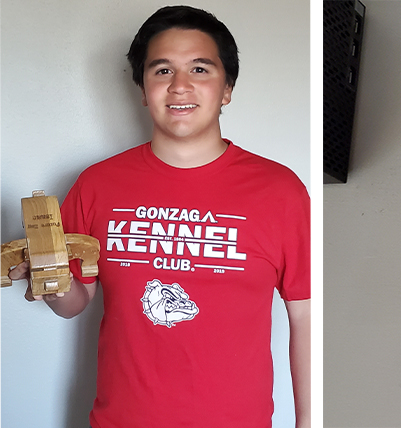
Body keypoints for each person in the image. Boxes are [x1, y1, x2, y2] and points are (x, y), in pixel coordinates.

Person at [8, 5, 310, 428]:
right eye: (162, 71)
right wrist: (51, 282)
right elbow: (76, 303)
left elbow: (305, 317)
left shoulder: (280, 191)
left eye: (200, 69)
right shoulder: (98, 184)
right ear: (143, 87)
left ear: (227, 88)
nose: (180, 86)